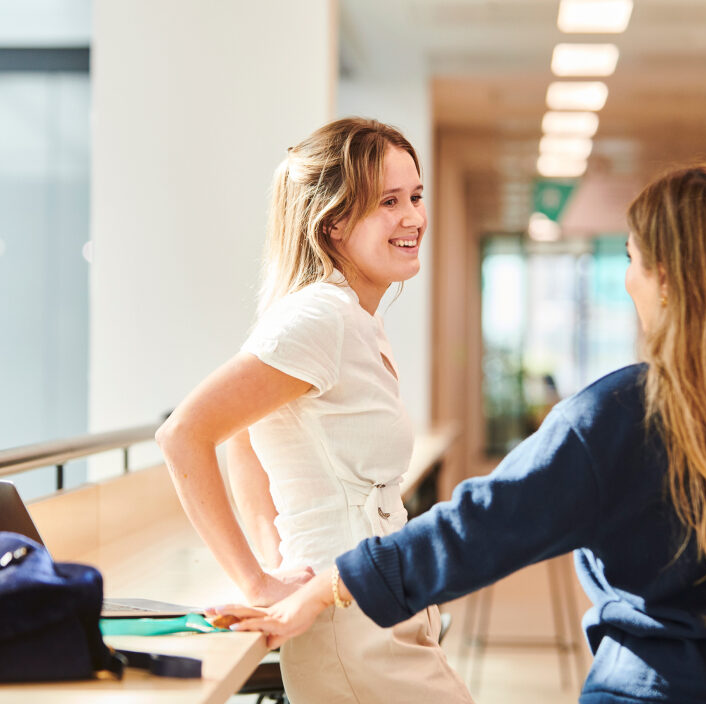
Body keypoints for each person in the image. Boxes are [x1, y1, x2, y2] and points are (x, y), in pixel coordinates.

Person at [214, 162, 706, 703]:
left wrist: (323, 588)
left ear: (664, 277)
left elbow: (478, 528)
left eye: (630, 258)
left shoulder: (626, 415)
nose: (627, 281)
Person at [155, 117, 473, 704]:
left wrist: (275, 560)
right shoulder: (319, 318)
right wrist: (257, 578)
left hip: (375, 608)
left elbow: (244, 437)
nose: (413, 218)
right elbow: (185, 435)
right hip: (345, 631)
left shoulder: (354, 317)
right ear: (333, 223)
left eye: (415, 196)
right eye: (388, 202)